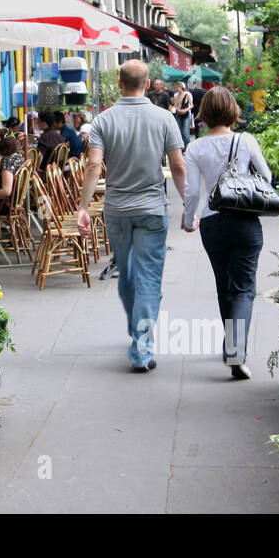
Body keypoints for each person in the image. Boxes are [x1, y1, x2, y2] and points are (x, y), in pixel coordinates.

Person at [77, 60, 186, 372]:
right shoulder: (165, 118)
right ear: (148, 83)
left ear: (119, 83)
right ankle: (141, 346)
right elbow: (178, 166)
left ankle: (137, 334)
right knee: (149, 276)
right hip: (152, 209)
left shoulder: (102, 121)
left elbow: (94, 166)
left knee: (126, 273)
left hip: (118, 210)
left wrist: (83, 207)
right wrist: (190, 205)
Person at [181, 87, 272, 380]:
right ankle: (235, 351)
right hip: (245, 221)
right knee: (244, 288)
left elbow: (193, 191)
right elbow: (267, 177)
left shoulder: (195, 147)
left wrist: (188, 218)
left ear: (204, 114)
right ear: (233, 110)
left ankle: (232, 347)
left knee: (225, 285)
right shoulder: (245, 141)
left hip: (212, 222)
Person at [0, 136, 26, 216]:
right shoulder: (17, 157)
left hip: (4, 204)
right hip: (15, 201)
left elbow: (6, 191)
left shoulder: (7, 163)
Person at [171, 81, 194, 149]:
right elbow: (175, 105)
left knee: (185, 132)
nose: (177, 89)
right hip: (179, 113)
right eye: (176, 88)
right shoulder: (175, 95)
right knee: (180, 131)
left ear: (182, 87)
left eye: (178, 87)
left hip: (186, 113)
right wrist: (178, 110)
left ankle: (187, 146)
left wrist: (185, 110)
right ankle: (182, 146)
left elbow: (191, 105)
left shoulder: (187, 94)